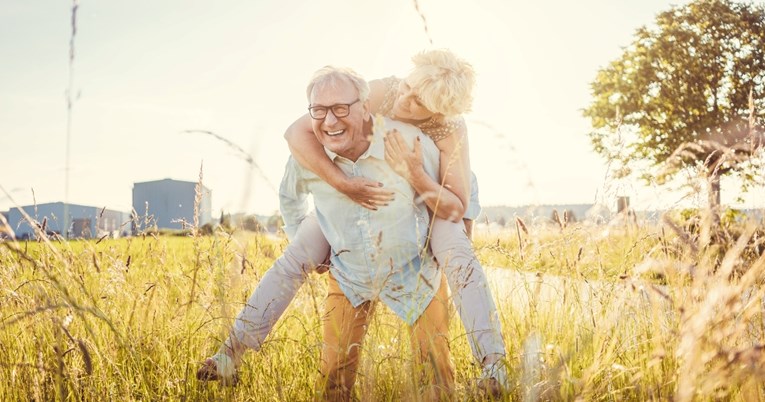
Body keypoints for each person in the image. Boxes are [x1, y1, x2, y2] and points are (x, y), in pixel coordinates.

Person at [198, 50, 508, 395]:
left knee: (459, 257)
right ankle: (230, 353)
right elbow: (297, 134)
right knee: (297, 253)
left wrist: (417, 176)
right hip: (343, 198)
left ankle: (493, 364)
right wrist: (343, 185)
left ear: (439, 111)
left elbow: (459, 203)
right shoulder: (379, 92)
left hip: (431, 199)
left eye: (418, 101)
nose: (403, 101)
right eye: (407, 87)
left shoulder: (449, 129)